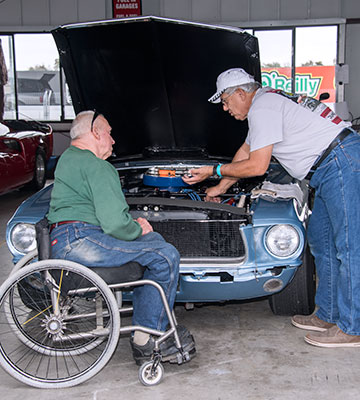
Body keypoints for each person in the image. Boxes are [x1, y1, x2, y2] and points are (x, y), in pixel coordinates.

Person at [183, 67, 360, 348]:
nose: (225, 109)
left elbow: (257, 165)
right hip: (330, 168)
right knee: (322, 243)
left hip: (341, 163)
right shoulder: (266, 103)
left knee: (349, 246)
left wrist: (212, 169)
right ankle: (328, 315)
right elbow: (244, 153)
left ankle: (353, 327)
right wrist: (217, 189)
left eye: (226, 102)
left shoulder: (262, 107)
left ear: (241, 93)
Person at [47, 110, 195, 364]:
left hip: (66, 239)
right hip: (81, 240)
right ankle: (147, 339)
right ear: (95, 132)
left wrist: (141, 233)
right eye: (110, 133)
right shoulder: (97, 165)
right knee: (166, 255)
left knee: (155, 245)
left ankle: (152, 319)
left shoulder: (69, 158)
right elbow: (115, 223)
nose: (113, 141)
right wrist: (139, 228)